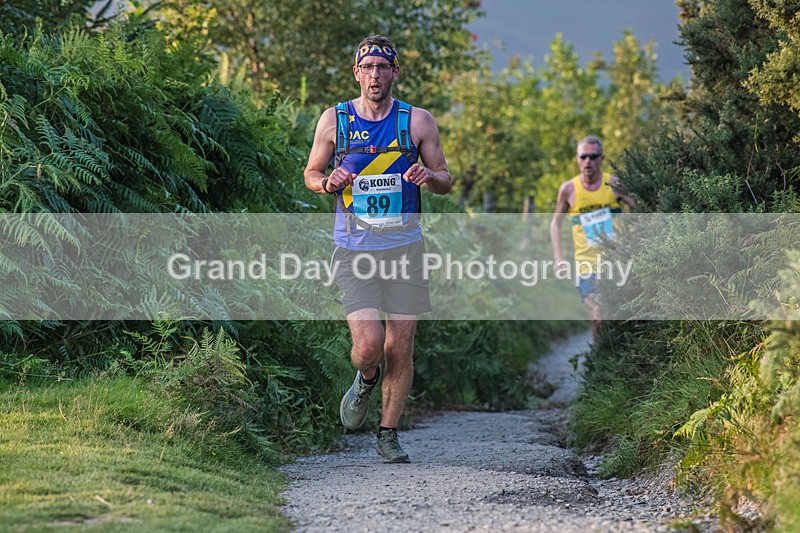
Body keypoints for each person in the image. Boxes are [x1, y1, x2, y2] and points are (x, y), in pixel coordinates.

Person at [304, 35, 451, 463]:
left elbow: (445, 179)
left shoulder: (416, 121)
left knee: (399, 349)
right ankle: (365, 377)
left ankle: (388, 433)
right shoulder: (335, 121)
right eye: (367, 67)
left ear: (395, 73)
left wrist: (429, 175)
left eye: (382, 67)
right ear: (356, 72)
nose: (375, 75)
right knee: (370, 345)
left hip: (405, 248)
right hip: (354, 249)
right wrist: (325, 183)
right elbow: (312, 173)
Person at [550, 135, 636, 338]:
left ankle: (610, 362)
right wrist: (558, 258)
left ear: (601, 158)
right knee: (598, 315)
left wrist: (633, 234)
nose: (588, 161)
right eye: (583, 156)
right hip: (585, 263)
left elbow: (639, 206)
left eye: (593, 156)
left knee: (618, 317)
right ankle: (597, 361)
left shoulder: (614, 184)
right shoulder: (568, 189)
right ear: (577, 159)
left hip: (616, 260)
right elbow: (555, 223)